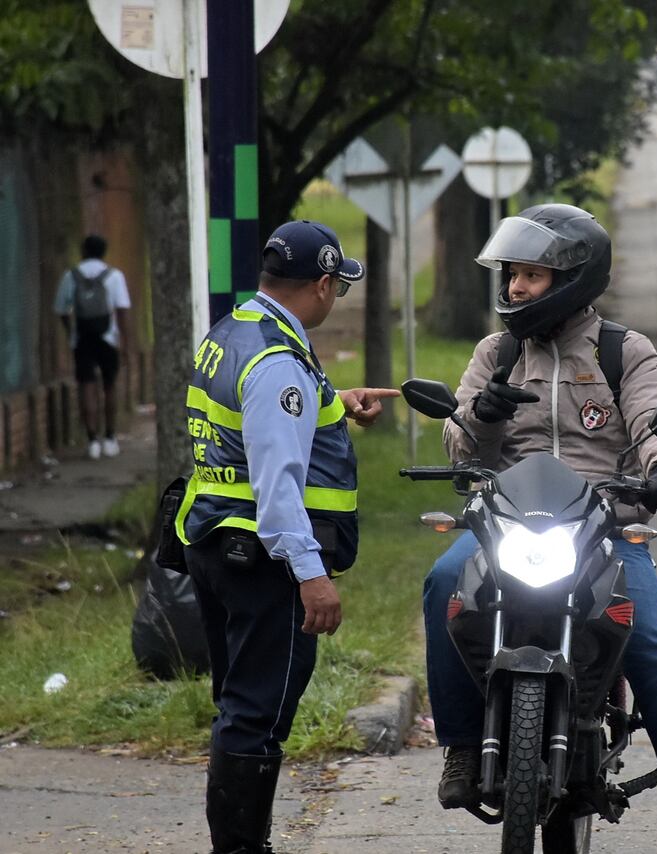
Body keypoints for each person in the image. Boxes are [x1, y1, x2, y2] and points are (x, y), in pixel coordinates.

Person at [422, 204, 657, 854]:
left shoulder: (624, 352)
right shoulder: (496, 353)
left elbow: (655, 422)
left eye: (531, 276)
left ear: (571, 278)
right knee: (442, 582)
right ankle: (458, 745)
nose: (515, 289)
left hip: (605, 532)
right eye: (512, 275)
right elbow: (460, 447)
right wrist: (481, 416)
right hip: (506, 528)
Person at [176, 220, 400, 854]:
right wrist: (312, 575)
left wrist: (334, 402)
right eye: (339, 287)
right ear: (324, 284)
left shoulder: (236, 331)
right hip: (262, 563)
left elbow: (249, 431)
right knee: (256, 716)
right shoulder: (279, 363)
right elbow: (278, 486)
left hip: (215, 545)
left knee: (238, 706)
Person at [53, 234, 131, 459]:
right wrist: (124, 343)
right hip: (108, 339)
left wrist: (72, 333)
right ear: (104, 252)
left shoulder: (71, 275)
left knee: (87, 386)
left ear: (83, 251)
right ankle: (110, 437)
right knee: (110, 386)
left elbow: (61, 309)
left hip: (83, 339)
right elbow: (123, 310)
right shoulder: (114, 276)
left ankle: (92, 440)